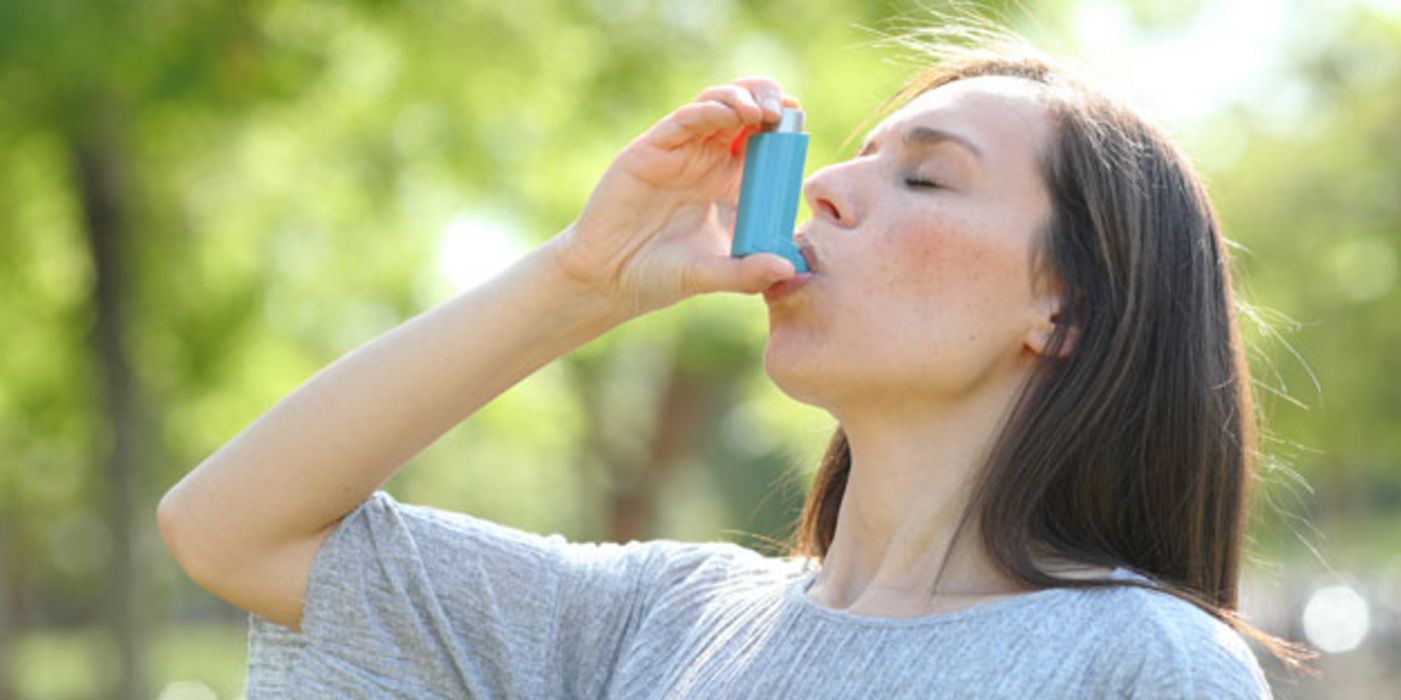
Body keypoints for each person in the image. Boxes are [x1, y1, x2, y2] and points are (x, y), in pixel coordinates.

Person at [157, 31, 1306, 698]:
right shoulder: (654, 619)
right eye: (848, 162)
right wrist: (582, 277)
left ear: (1062, 305)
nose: (829, 190)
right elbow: (231, 527)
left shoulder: (1140, 665)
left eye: (927, 177)